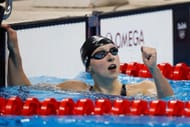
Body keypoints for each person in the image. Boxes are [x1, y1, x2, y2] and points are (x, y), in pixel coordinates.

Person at [1, 24, 174, 98]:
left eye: (113, 51)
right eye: (101, 54)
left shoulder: (141, 88)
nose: (110, 56)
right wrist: (14, 51)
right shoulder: (76, 89)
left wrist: (154, 69)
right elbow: (22, 90)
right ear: (89, 67)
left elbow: (168, 100)